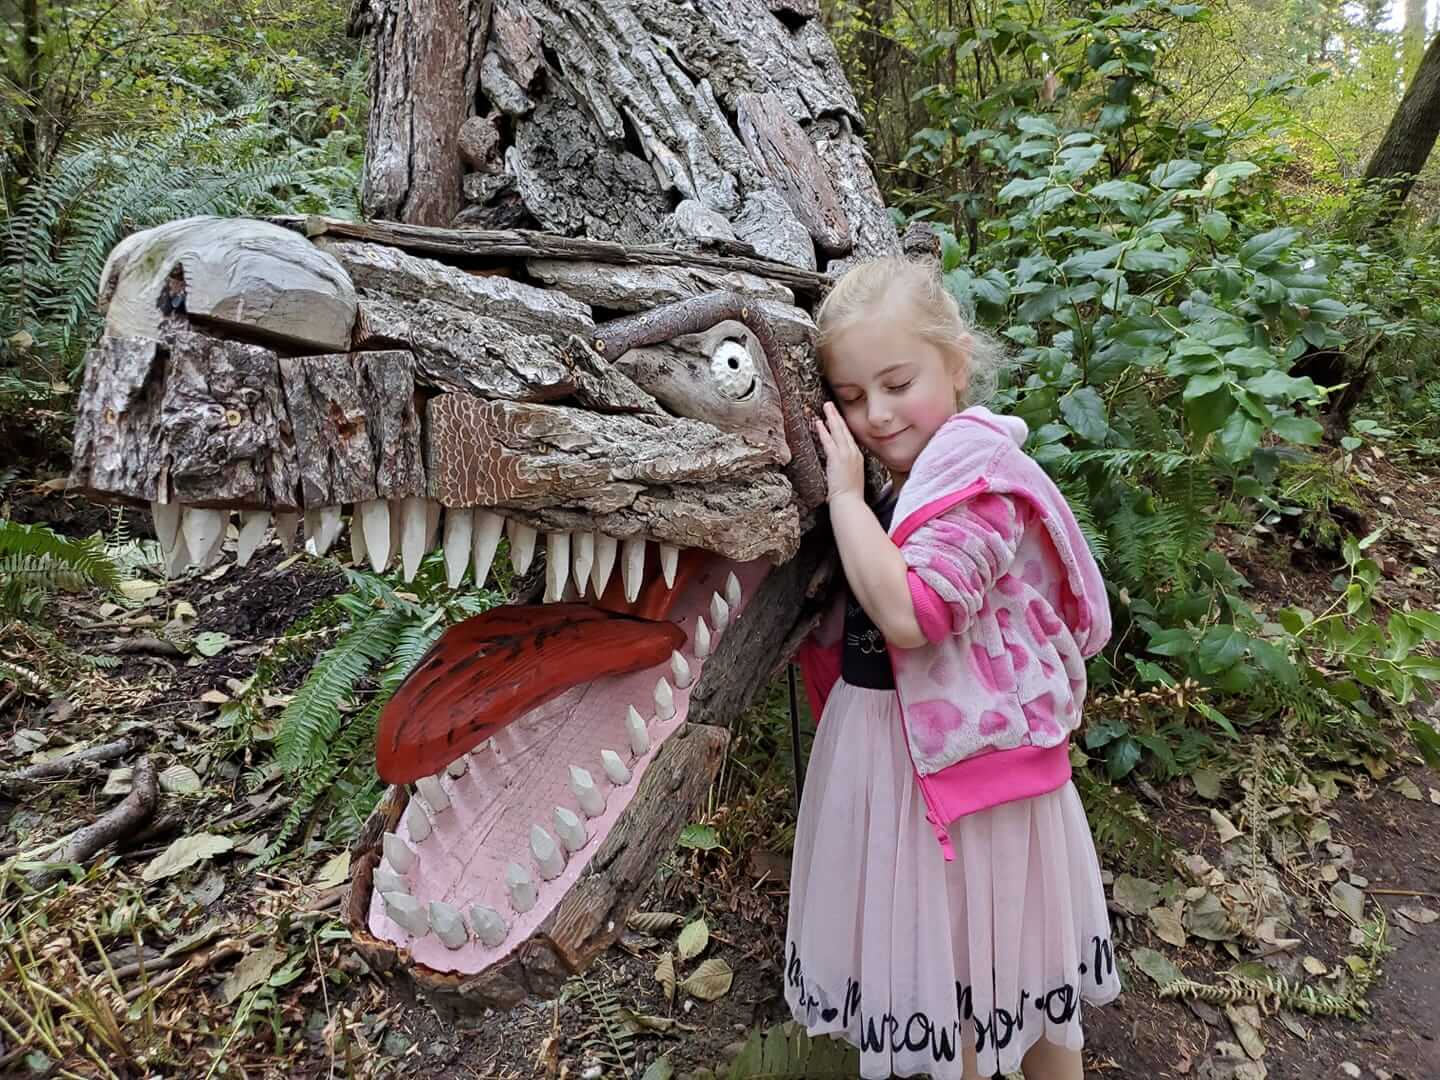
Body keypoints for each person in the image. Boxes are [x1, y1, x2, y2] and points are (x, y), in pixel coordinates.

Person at [787, 256, 1120, 1080]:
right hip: (910, 774)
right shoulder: (907, 483)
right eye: (853, 398)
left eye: (897, 383)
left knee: (969, 986)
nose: (877, 414)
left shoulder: (974, 479)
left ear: (957, 362)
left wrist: (842, 500)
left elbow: (914, 613)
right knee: (990, 979)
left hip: (969, 787)